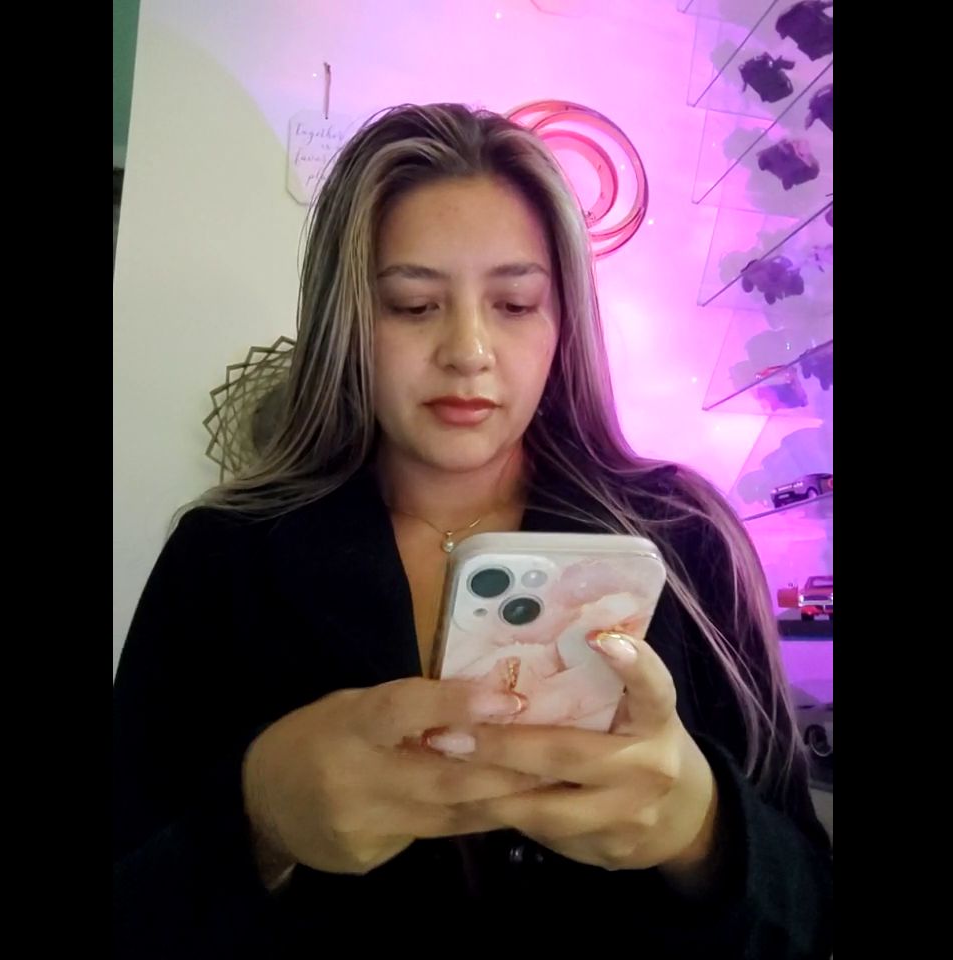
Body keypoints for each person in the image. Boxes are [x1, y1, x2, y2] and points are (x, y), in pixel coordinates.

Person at [113, 103, 833, 958]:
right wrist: (261, 822)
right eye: (414, 305)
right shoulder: (222, 556)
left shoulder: (685, 536)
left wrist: (702, 830)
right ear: (348, 321)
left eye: (515, 303)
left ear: (562, 320)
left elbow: (812, 914)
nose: (468, 350)